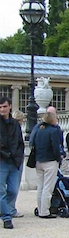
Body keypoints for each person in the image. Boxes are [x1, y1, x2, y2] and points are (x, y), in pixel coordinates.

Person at [33, 110, 63, 219]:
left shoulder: (39, 130)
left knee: (40, 186)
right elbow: (56, 147)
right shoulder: (53, 131)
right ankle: (45, 211)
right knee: (48, 187)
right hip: (50, 160)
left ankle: (40, 208)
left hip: (39, 160)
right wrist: (58, 158)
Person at [0, 96, 24, 229]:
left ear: (9, 106)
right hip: (2, 160)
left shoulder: (15, 123)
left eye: (4, 106)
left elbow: (20, 142)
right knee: (1, 191)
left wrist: (18, 156)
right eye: (0, 107)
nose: (2, 109)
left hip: (14, 161)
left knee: (13, 191)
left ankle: (5, 210)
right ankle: (6, 217)